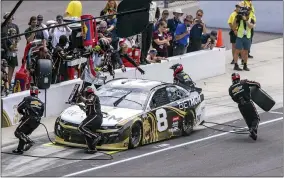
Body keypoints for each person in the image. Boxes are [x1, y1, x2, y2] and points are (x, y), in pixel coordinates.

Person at [12, 86, 45, 154]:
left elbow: (19, 107)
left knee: (18, 132)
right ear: (37, 93)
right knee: (23, 134)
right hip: (37, 121)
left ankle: (29, 141)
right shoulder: (41, 103)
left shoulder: (28, 98)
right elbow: (41, 114)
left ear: (30, 92)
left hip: (30, 119)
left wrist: (23, 114)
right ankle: (20, 149)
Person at [229, 73, 261, 140]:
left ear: (232, 79)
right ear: (239, 77)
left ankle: (253, 134)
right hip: (248, 103)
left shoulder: (230, 89)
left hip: (241, 106)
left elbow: (233, 98)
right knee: (256, 118)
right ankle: (253, 130)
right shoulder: (244, 82)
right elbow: (257, 84)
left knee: (248, 120)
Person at [77, 86, 103, 154]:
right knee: (87, 133)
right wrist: (79, 103)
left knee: (81, 127)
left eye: (85, 93)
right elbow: (87, 104)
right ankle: (92, 148)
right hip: (93, 117)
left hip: (95, 116)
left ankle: (96, 136)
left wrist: (81, 97)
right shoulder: (89, 98)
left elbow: (89, 102)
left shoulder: (93, 96)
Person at [232, 2, 255, 71]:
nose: (246, 13)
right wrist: (236, 19)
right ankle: (236, 65)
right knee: (237, 51)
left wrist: (245, 20)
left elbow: (250, 26)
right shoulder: (239, 18)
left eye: (247, 12)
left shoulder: (251, 19)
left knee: (246, 52)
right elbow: (233, 27)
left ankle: (245, 65)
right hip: (240, 36)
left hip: (247, 37)